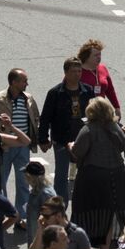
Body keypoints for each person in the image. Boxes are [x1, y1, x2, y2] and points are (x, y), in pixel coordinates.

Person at [70, 96, 125, 249]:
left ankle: (81, 248)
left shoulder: (88, 129)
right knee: (110, 213)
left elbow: (78, 152)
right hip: (117, 174)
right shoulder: (115, 127)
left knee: (89, 211)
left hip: (93, 176)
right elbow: (122, 146)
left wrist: (70, 146)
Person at [0, 67, 40, 225]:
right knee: (0, 181)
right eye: (24, 81)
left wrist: (35, 135)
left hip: (23, 145)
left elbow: (36, 117)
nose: (27, 84)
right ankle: (2, 213)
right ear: (13, 82)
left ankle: (20, 216)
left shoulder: (28, 99)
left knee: (24, 181)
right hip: (4, 146)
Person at [38, 56, 92, 199]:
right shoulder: (55, 93)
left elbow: (94, 113)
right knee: (61, 175)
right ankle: (60, 205)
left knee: (85, 172)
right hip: (61, 139)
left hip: (83, 139)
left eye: (79, 71)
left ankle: (83, 202)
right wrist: (43, 139)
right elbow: (45, 117)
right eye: (74, 71)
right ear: (66, 73)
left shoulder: (87, 91)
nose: (77, 74)